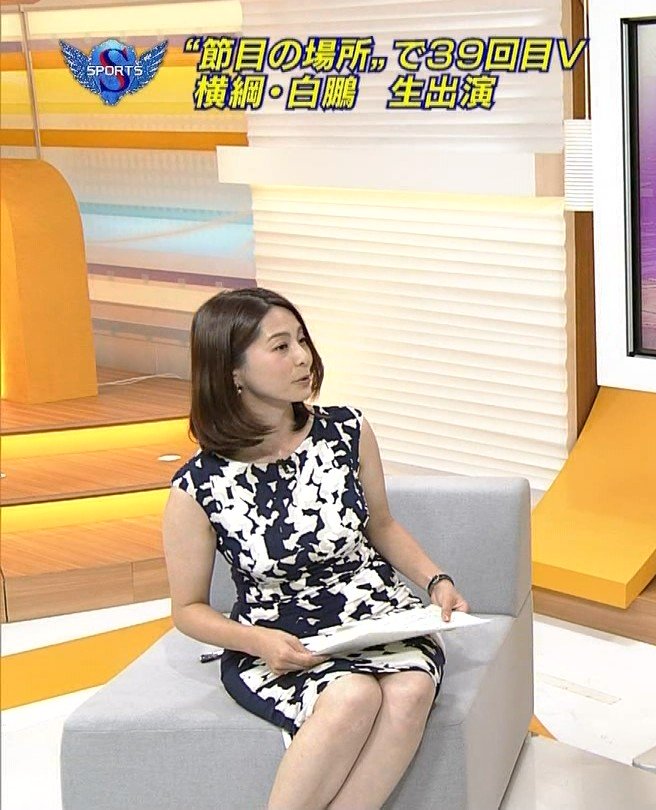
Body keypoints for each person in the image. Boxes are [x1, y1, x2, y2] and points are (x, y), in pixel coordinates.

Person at [163, 287, 471, 810]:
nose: (303, 357)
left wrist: (437, 580)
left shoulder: (347, 430)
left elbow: (382, 526)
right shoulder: (198, 486)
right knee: (352, 694)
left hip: (376, 614)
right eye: (280, 347)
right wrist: (257, 641)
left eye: (302, 340)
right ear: (233, 371)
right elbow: (187, 609)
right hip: (280, 637)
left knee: (411, 690)